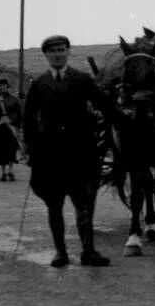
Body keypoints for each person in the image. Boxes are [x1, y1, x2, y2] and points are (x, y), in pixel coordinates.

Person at [23, 35, 111, 268]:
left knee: (84, 204)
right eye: (53, 52)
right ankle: (60, 252)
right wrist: (30, 148)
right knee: (54, 205)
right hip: (49, 155)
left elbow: (105, 105)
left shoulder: (82, 80)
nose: (58, 55)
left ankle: (88, 252)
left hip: (80, 153)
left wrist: (126, 121)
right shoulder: (39, 84)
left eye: (61, 50)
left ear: (68, 52)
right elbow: (29, 120)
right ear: (46, 55)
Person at [0, 78, 24, 181]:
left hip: (10, 127)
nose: (1, 88)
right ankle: (3, 172)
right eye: (0, 86)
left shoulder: (14, 99)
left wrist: (17, 125)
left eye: (4, 86)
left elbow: (19, 114)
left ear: (7, 87)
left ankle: (10, 171)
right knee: (1, 150)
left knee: (11, 149)